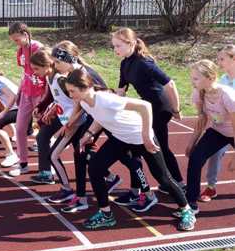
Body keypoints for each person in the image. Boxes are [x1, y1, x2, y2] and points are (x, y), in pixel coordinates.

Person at [65, 69, 195, 231]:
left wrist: (147, 135)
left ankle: (186, 209)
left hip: (140, 137)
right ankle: (106, 214)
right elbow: (100, 117)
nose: (71, 95)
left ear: (84, 87)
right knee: (95, 168)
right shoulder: (85, 102)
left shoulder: (106, 99)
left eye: (72, 91)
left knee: (163, 178)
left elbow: (145, 106)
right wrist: (89, 134)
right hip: (120, 138)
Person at [29, 44, 121, 213]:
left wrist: (70, 123)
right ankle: (82, 196)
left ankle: (140, 191)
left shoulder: (79, 75)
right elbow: (74, 101)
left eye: (56, 62)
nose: (55, 65)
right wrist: (60, 116)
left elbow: (81, 102)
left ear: (68, 59)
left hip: (99, 118)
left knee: (127, 156)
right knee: (81, 157)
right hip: (90, 118)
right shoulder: (70, 74)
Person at [112, 28, 184, 201]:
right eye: (113, 46)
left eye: (118, 46)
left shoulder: (144, 62)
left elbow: (170, 84)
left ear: (130, 44)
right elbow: (121, 91)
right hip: (147, 107)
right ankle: (139, 190)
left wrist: (176, 109)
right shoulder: (125, 63)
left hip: (160, 108)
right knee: (140, 148)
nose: (115, 49)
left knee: (155, 147)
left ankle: (179, 184)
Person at [184, 60, 235, 220]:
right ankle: (191, 202)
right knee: (195, 158)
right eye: (192, 78)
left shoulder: (227, 94)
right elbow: (202, 119)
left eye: (196, 78)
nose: (193, 82)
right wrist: (192, 142)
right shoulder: (198, 92)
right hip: (218, 131)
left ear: (211, 77)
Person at [8, 22, 46, 177]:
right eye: (14, 41)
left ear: (25, 34)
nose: (16, 43)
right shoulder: (20, 50)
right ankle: (23, 163)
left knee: (44, 131)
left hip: (40, 94)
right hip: (26, 93)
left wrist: (44, 97)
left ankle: (46, 167)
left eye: (17, 39)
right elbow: (25, 72)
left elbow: (46, 71)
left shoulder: (38, 48)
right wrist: (19, 91)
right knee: (20, 128)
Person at [202, 45, 235, 201]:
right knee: (215, 153)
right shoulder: (222, 80)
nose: (219, 62)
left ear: (233, 59)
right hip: (224, 126)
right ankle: (211, 187)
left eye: (222, 59)